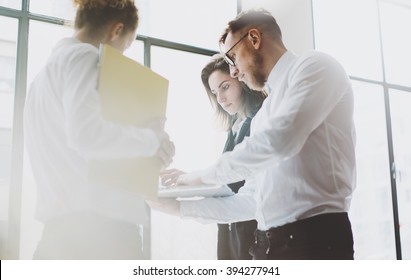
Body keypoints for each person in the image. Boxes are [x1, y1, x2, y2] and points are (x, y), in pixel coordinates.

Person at [154, 9, 356, 260]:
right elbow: (250, 201)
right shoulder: (264, 115)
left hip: (313, 241)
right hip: (267, 244)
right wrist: (177, 207)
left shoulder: (315, 66)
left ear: (254, 38)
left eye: (233, 58)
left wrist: (197, 178)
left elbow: (278, 142)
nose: (235, 71)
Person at [24, 0, 174, 259]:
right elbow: (87, 135)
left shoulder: (40, 80)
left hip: (57, 236)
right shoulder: (85, 56)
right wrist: (152, 140)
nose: (121, 56)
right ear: (116, 31)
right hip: (101, 235)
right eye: (125, 47)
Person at [161, 54, 266, 260]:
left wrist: (187, 196)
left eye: (225, 87)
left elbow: (249, 193)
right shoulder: (235, 128)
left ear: (241, 78)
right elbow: (230, 180)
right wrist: (191, 179)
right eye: (215, 92)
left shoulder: (260, 121)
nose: (220, 98)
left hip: (251, 230)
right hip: (232, 231)